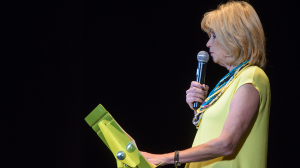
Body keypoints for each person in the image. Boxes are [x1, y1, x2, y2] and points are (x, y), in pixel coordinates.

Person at [141, 1, 271, 168]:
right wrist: (199, 108)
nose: (208, 43)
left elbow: (226, 144)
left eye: (214, 36)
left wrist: (164, 158)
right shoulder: (229, 83)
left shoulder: (251, 76)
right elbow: (212, 136)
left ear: (235, 36)